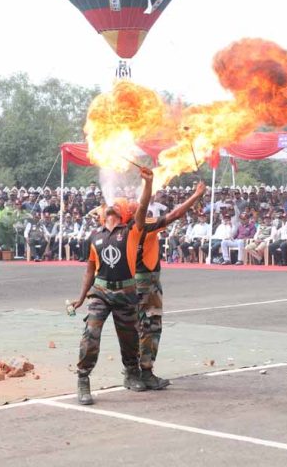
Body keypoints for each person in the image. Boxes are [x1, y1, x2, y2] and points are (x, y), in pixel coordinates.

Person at [70, 167, 154, 405]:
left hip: (126, 293)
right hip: (101, 293)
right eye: (112, 203)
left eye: (119, 204)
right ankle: (83, 379)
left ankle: (131, 372)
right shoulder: (94, 236)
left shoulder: (131, 232)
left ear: (125, 213)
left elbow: (144, 208)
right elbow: (89, 270)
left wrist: (148, 184)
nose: (114, 205)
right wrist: (81, 297)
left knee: (129, 338)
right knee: (91, 333)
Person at [133, 181, 206, 390]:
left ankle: (131, 372)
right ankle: (145, 372)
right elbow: (174, 215)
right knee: (150, 327)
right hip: (147, 283)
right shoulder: (143, 226)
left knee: (134, 328)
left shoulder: (122, 228)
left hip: (130, 282)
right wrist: (196, 195)